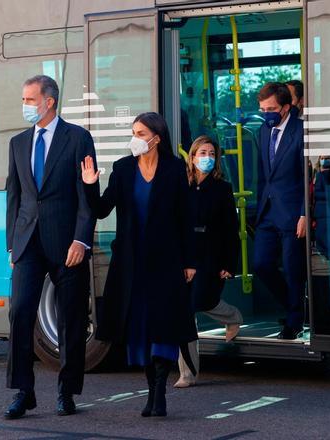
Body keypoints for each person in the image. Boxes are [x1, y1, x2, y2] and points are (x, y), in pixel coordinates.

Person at [81, 112, 197, 417]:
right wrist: (90, 185)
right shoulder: (122, 169)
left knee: (165, 325)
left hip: (167, 262)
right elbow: (102, 209)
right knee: (142, 329)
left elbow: (186, 218)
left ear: (156, 138)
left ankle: (159, 391)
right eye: (134, 132)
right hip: (131, 263)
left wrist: (190, 261)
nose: (135, 138)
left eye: (141, 133)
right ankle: (152, 390)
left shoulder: (174, 169)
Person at [4, 75, 96, 419]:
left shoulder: (78, 138)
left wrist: (81, 239)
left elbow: (86, 196)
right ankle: (23, 391)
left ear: (49, 101)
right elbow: (14, 194)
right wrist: (11, 246)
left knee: (70, 318)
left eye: (30, 99)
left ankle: (67, 391)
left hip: (67, 244)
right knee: (20, 311)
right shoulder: (17, 143)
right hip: (27, 243)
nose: (25, 105)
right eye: (24, 99)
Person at [174, 135, 242, 388]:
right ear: (192, 156)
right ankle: (187, 373)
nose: (207, 158)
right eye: (203, 153)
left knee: (202, 300)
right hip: (184, 254)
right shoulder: (182, 185)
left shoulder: (222, 188)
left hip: (211, 255)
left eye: (212, 154)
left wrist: (229, 263)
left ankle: (232, 316)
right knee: (184, 314)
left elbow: (230, 229)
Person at [253, 82, 306, 340]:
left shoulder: (301, 131)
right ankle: (295, 309)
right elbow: (263, 176)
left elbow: (307, 176)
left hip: (293, 213)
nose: (267, 113)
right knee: (261, 264)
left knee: (292, 268)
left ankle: (294, 322)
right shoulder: (263, 132)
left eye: (271, 108)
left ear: (286, 107)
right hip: (267, 212)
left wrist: (305, 214)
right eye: (262, 109)